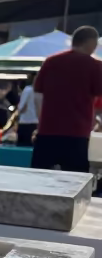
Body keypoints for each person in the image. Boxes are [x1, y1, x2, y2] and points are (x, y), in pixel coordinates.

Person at [31, 26, 102, 172]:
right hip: (77, 133)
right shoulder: (95, 66)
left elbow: (37, 94)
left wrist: (40, 120)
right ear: (91, 43)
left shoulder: (51, 61)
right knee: (75, 183)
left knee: (37, 179)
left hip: (47, 131)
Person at [14, 75, 38, 146]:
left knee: (22, 145)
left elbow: (21, 107)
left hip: (25, 122)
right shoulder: (41, 91)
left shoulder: (28, 90)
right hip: (36, 122)